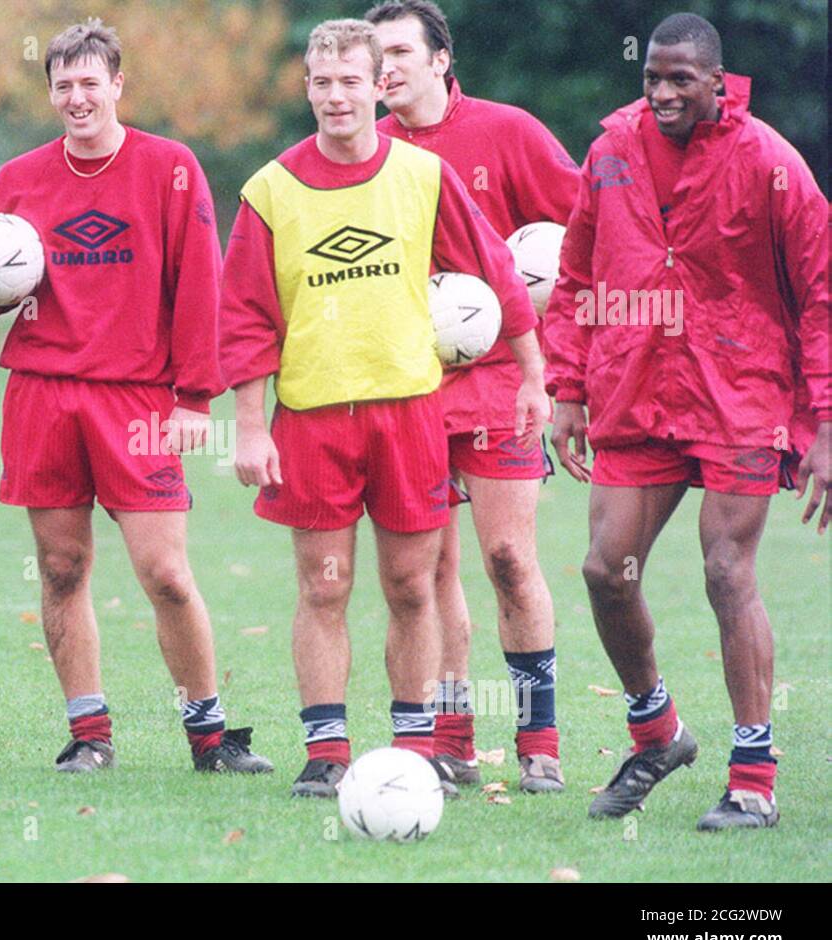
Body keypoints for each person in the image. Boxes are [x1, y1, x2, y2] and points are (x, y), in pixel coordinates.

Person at [221, 18, 548, 798]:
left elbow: (498, 275)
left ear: (378, 87)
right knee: (323, 587)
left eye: (350, 82)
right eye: (321, 83)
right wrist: (246, 423)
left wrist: (534, 374)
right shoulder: (270, 190)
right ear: (307, 88)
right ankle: (327, 749)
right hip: (312, 417)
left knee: (412, 585)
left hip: (408, 415)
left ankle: (412, 744)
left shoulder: (421, 176)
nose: (336, 97)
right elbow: (244, 317)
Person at [0, 20, 271, 775]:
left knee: (167, 574)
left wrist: (193, 397)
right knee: (60, 569)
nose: (77, 97)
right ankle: (90, 736)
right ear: (50, 91)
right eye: (64, 85)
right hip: (43, 395)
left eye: (91, 82)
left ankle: (209, 736)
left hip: (140, 401)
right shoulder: (19, 178)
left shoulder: (172, 168)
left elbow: (199, 289)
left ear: (118, 84)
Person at [545, 13, 829, 830]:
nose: (663, 93)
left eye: (680, 80)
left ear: (716, 81)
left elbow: (821, 294)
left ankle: (754, 777)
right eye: (652, 80)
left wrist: (826, 424)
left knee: (726, 572)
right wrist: (567, 385)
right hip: (635, 389)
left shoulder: (770, 161)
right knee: (606, 570)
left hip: (739, 391)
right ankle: (657, 730)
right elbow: (574, 274)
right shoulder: (609, 152)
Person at [365, 0, 583, 794]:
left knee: (508, 558)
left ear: (440, 59)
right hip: (409, 383)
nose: (384, 69)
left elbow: (587, 226)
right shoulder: (369, 150)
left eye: (397, 53)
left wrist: (557, 343)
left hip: (499, 380)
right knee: (424, 571)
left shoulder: (508, 132)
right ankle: (448, 738)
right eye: (373, 56)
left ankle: (541, 738)